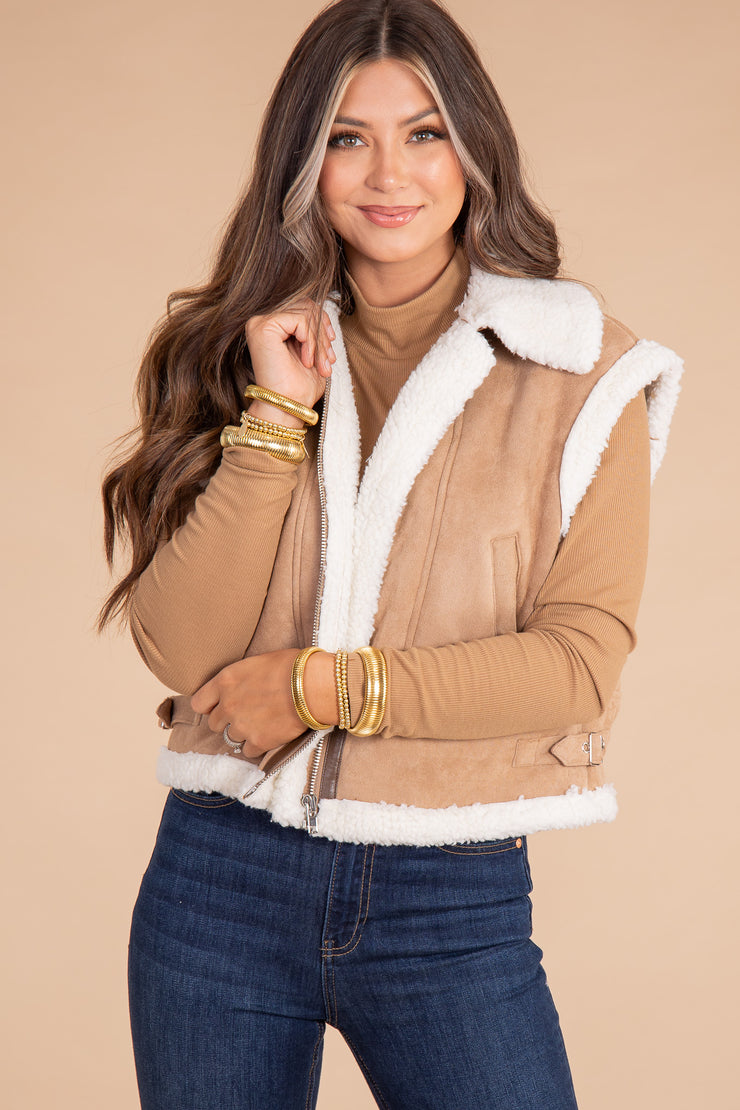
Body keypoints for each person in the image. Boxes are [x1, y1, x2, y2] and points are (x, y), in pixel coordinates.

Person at [99, 1, 682, 1106]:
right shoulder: (241, 347)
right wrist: (276, 415)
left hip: (448, 896)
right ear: (302, 162)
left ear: (473, 148)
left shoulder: (577, 372)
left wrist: (321, 688)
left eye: (423, 133)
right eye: (345, 138)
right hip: (216, 882)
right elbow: (182, 650)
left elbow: (577, 665)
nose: (387, 174)